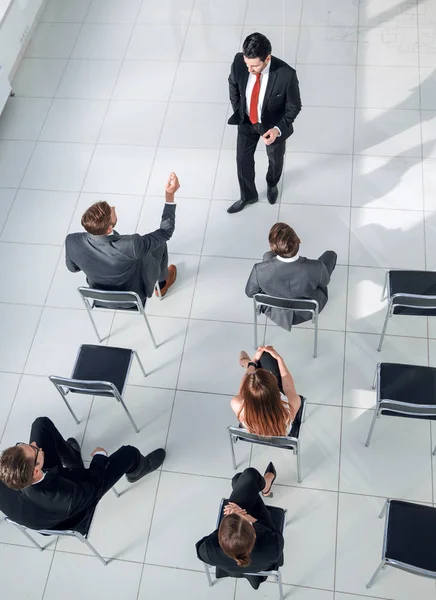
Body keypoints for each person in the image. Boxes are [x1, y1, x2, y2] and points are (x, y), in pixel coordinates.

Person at [0, 417, 165, 532]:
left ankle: (72, 458)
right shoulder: (65, 497)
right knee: (129, 453)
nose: (35, 444)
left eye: (23, 445)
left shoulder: (7, 471)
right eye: (34, 449)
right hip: (72, 508)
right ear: (36, 471)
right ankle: (138, 470)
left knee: (41, 425)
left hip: (35, 499)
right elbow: (93, 487)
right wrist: (99, 458)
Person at [65, 173, 180, 303]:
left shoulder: (72, 241)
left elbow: (73, 268)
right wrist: (169, 196)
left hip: (101, 297)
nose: (113, 208)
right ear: (109, 229)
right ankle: (162, 284)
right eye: (111, 211)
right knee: (160, 244)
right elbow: (165, 232)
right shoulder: (132, 244)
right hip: (133, 297)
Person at [227, 32, 301, 214]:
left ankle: (272, 183)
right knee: (242, 160)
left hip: (272, 126)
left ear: (267, 58)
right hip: (246, 121)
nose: (250, 69)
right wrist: (239, 109)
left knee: (275, 160)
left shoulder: (286, 74)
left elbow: (294, 107)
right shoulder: (239, 62)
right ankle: (248, 196)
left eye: (255, 66)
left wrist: (277, 130)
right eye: (247, 64)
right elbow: (233, 84)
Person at [196, 466, 284, 589]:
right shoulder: (272, 547)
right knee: (248, 476)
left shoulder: (208, 551)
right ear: (254, 533)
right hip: (262, 562)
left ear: (220, 538)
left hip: (230, 565)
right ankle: (265, 487)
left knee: (240, 480)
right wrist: (247, 516)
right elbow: (273, 534)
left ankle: (257, 485)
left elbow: (200, 547)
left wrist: (226, 531)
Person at [245, 222, 337, 331]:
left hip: (275, 311)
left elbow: (250, 293)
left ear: (273, 247)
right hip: (306, 311)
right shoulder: (317, 267)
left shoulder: (258, 270)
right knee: (330, 255)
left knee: (267, 256)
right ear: (298, 240)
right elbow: (324, 283)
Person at [231, 345, 301, 437]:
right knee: (266, 355)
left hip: (253, 432)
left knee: (250, 357)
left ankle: (246, 363)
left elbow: (242, 387)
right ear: (275, 390)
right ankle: (246, 362)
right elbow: (288, 387)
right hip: (280, 434)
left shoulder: (238, 405)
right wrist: (279, 359)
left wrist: (253, 362)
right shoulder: (290, 408)